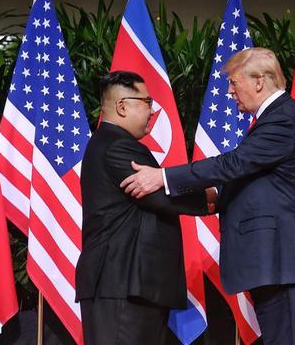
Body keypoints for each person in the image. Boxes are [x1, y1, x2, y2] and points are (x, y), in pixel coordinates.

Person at [120, 48, 295, 345]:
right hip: (274, 257)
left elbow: (234, 164)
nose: (229, 91)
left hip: (282, 256)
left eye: (234, 82)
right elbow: (255, 179)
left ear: (259, 81)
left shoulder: (282, 119)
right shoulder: (273, 119)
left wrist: (162, 176)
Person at [75, 71, 214, 345]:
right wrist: (215, 197)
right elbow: (160, 196)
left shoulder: (109, 142)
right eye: (147, 102)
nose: (152, 111)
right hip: (122, 285)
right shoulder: (117, 145)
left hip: (128, 286)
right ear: (122, 106)